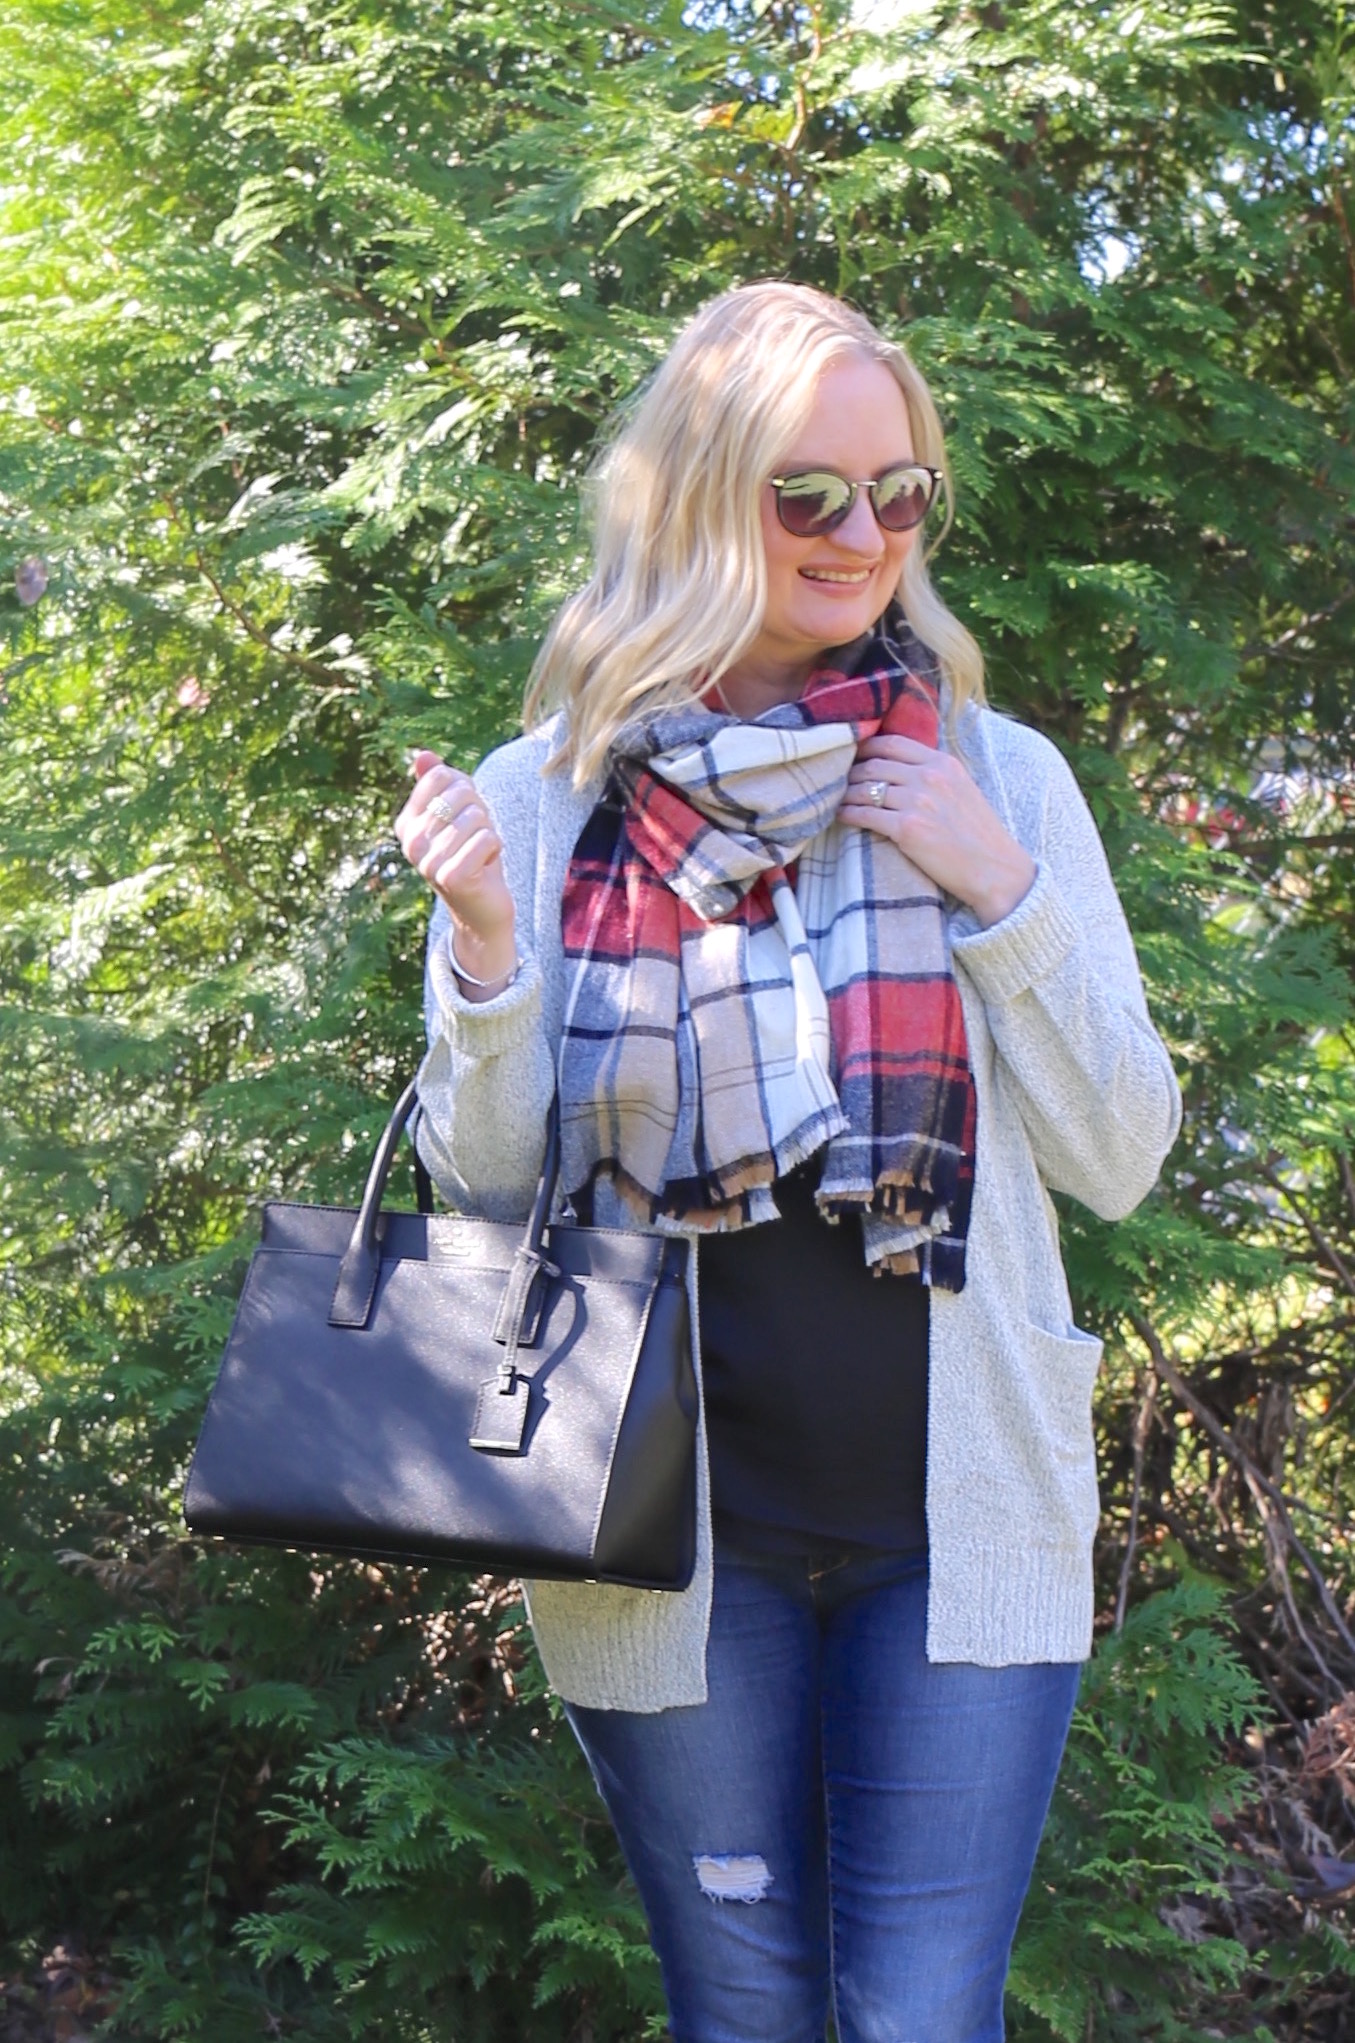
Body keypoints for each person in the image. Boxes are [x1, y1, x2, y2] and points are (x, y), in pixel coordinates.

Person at [394, 281, 1181, 2043]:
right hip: (669, 1540)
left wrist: (1000, 889)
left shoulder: (995, 778)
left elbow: (1123, 1153)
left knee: (922, 2020)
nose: (862, 533)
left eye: (900, 491)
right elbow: (485, 1186)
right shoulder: (548, 796)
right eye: (808, 491)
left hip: (959, 1527)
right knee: (741, 2017)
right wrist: (488, 952)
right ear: (696, 496)